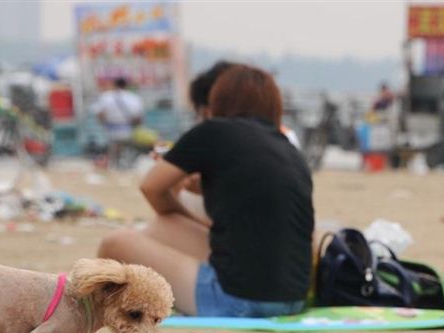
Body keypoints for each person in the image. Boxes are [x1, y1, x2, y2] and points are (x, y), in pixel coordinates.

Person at [97, 64, 314, 318]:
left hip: (236, 302)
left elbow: (151, 187)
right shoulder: (287, 147)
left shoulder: (214, 131)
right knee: (165, 225)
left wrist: (188, 216)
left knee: (115, 243)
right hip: (293, 299)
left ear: (218, 100)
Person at [92, 77, 144, 168]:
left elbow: (100, 114)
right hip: (128, 129)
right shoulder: (133, 98)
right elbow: (139, 118)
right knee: (129, 149)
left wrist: (105, 123)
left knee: (113, 150)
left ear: (114, 85)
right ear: (126, 85)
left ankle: (113, 166)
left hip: (111, 129)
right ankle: (128, 166)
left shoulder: (106, 97)